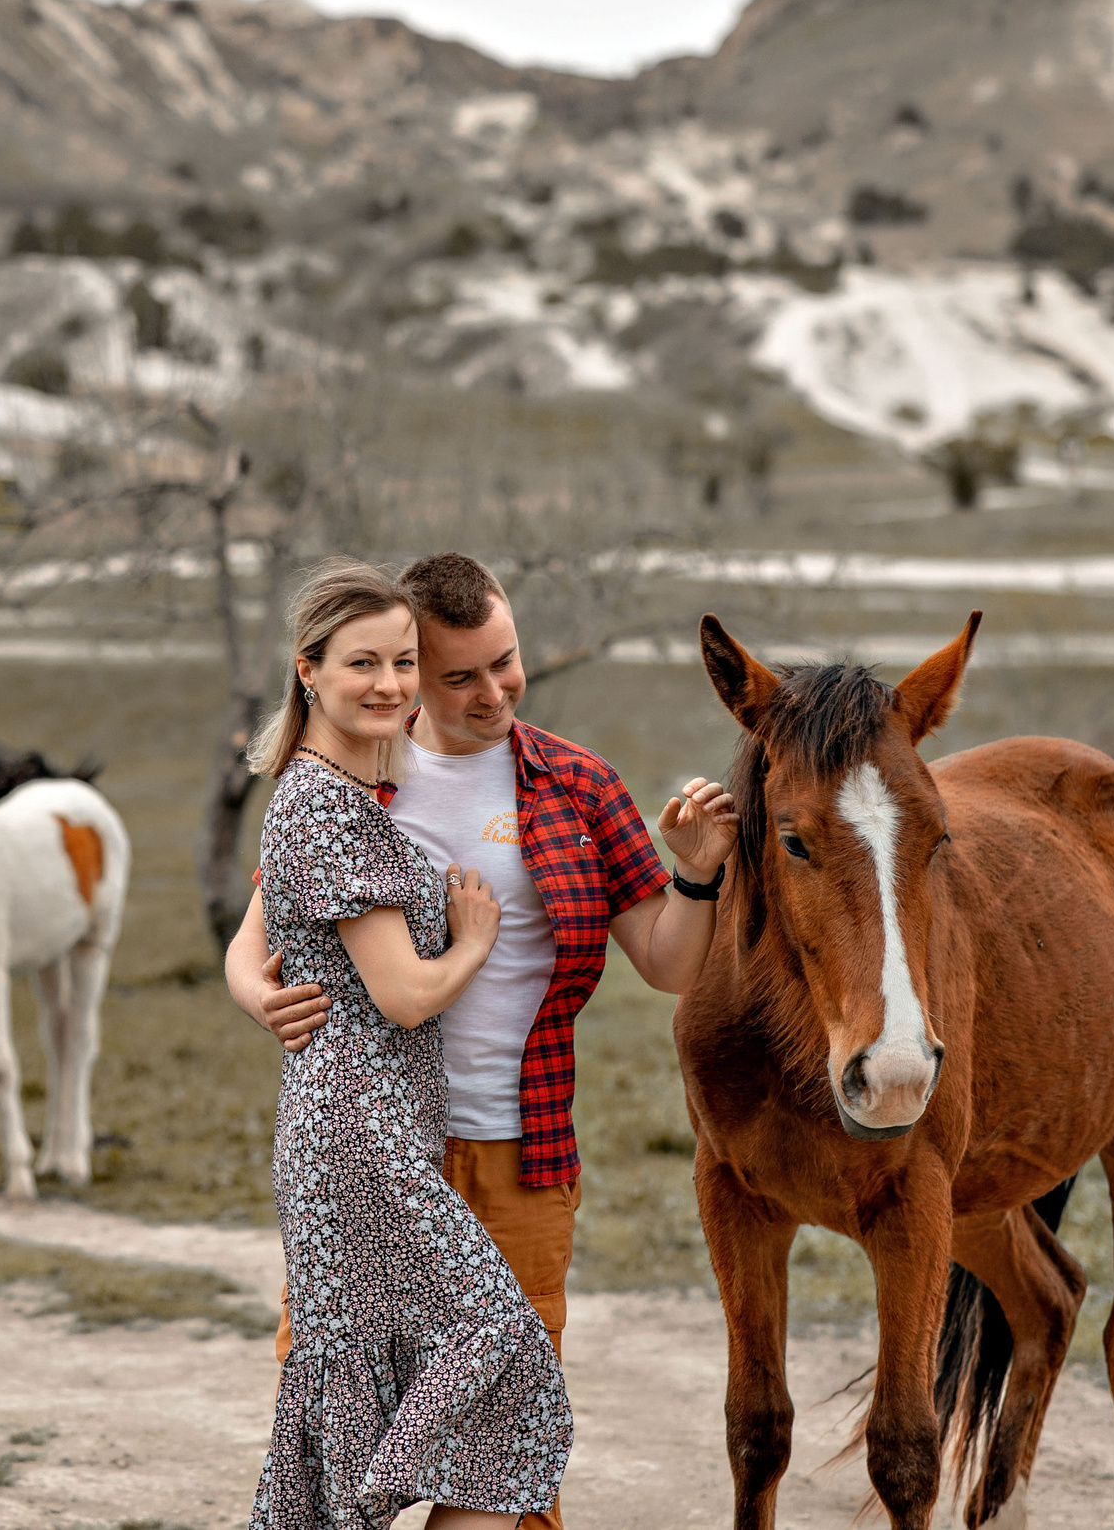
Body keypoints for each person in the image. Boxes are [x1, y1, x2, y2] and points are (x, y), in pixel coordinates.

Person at [228, 551, 738, 1530]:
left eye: (505, 662)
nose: (492, 691)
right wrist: (259, 995)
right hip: (377, 1157)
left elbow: (668, 963)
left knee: (507, 1422)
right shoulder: (354, 780)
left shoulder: (579, 786)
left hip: (519, 1152)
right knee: (349, 1409)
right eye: (458, 674)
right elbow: (259, 936)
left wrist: (698, 877)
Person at [244, 557, 568, 1530]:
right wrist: (472, 942)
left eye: (400, 662)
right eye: (361, 665)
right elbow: (403, 997)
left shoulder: (337, 791)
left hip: (369, 1137)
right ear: (308, 670)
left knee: (362, 1382)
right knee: (503, 1356)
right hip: (358, 1142)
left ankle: (343, 1504)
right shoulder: (325, 805)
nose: (387, 684)